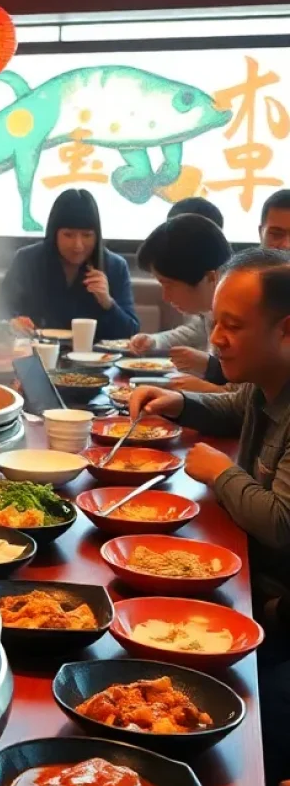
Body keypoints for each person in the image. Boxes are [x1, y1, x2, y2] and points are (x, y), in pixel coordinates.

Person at [128, 248, 290, 611]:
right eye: (215, 322)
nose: (216, 339)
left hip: (270, 603)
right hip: (246, 567)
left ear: (286, 330)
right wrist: (179, 403)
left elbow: (281, 523)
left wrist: (221, 472)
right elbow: (233, 409)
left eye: (232, 326)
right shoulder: (266, 379)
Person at [1, 189, 139, 340]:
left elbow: (131, 333)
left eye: (87, 235)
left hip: (97, 359)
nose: (78, 246)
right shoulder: (27, 260)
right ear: (54, 233)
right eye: (68, 235)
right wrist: (11, 323)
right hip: (34, 356)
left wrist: (108, 303)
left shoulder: (115, 266)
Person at [128, 213, 232, 390]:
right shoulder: (212, 311)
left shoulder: (249, 318)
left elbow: (258, 405)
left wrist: (210, 386)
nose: (165, 297)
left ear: (210, 278)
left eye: (169, 284)